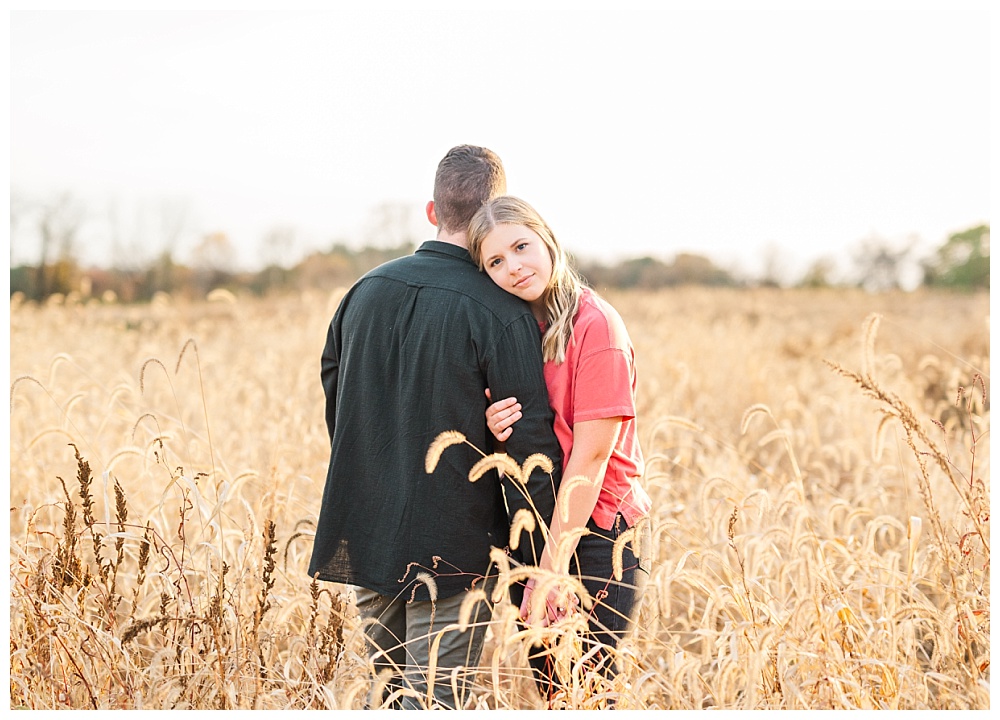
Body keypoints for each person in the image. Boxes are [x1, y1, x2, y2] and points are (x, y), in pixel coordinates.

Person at [307, 147, 563, 709]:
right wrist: (547, 556)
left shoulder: (362, 292)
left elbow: (339, 404)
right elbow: (531, 450)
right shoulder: (501, 309)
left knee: (392, 698)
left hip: (368, 535)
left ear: (431, 211)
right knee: (436, 703)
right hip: (456, 548)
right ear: (497, 211)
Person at [467, 195, 653, 704]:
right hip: (537, 524)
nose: (514, 267)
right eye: (495, 262)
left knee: (590, 693)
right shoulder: (515, 331)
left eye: (521, 246)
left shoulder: (597, 326)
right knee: (555, 695)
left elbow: (591, 457)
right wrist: (491, 423)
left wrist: (551, 570)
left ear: (547, 239)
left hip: (597, 532)